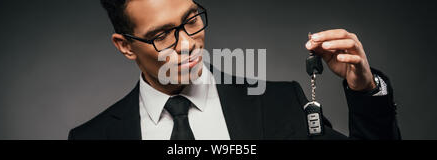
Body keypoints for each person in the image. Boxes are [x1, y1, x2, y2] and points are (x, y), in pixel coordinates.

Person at [68, 0, 400, 140]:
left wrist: (365, 91)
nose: (187, 45)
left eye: (191, 20)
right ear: (125, 45)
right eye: (161, 35)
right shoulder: (91, 137)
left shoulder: (281, 104)